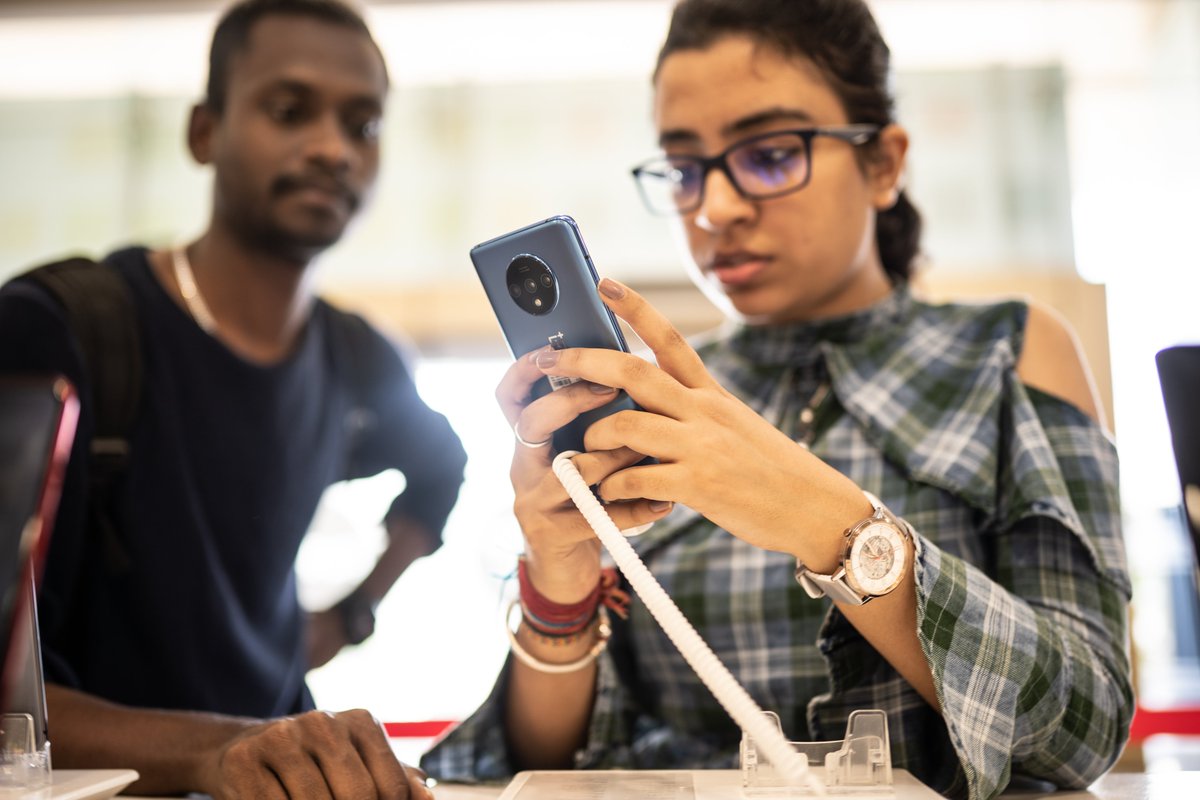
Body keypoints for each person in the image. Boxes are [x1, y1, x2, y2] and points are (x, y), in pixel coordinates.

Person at [421, 1, 1132, 798]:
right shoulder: (654, 396)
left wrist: (833, 527)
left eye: (768, 154)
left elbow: (1087, 720)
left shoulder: (1013, 349)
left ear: (884, 163)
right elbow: (543, 765)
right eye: (685, 169)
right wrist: (559, 587)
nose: (714, 209)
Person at [0, 0, 464, 797]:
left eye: (363, 124)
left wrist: (353, 615)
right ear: (203, 132)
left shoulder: (358, 360)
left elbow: (442, 468)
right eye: (289, 110)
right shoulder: (57, 330)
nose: (331, 148)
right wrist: (225, 749)